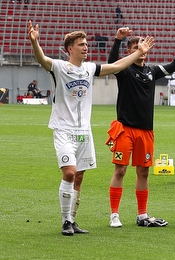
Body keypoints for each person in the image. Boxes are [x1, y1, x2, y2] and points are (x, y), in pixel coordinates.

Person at [28, 22, 149, 236]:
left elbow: (117, 67)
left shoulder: (90, 68)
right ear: (70, 49)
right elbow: (42, 59)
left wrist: (139, 52)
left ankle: (72, 219)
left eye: (86, 44)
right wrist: (35, 42)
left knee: (80, 177)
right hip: (63, 130)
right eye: (81, 44)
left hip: (84, 132)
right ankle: (66, 221)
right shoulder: (59, 67)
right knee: (70, 173)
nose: (86, 47)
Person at [106, 25, 175, 228]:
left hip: (146, 131)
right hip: (125, 129)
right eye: (136, 47)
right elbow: (111, 63)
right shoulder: (124, 70)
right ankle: (114, 214)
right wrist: (118, 40)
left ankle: (142, 214)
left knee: (143, 172)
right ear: (129, 51)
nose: (142, 49)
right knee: (120, 170)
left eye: (143, 46)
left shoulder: (152, 71)